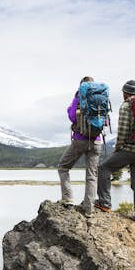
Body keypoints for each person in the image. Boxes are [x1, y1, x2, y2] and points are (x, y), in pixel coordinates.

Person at [95, 80, 135, 225]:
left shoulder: (126, 106)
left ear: (125, 92)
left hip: (129, 150)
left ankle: (104, 203)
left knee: (103, 168)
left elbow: (123, 131)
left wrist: (118, 148)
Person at [57, 76, 103, 215]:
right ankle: (89, 209)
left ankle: (68, 199)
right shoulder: (100, 98)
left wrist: (70, 108)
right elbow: (104, 122)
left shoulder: (79, 97)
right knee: (92, 175)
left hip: (80, 139)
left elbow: (72, 116)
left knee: (63, 167)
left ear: (81, 86)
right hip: (96, 140)